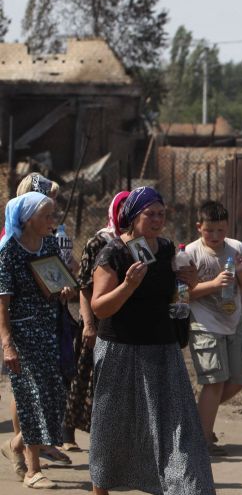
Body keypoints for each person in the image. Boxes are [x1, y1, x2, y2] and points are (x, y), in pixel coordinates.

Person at [88, 186, 213, 495]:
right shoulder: (113, 253)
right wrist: (128, 285)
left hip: (162, 350)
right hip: (120, 352)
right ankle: (101, 488)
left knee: (178, 430)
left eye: (161, 214)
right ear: (133, 216)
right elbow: (100, 306)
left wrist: (188, 282)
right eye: (150, 214)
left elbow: (178, 297)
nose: (157, 220)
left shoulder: (169, 250)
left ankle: (187, 487)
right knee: (112, 431)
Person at [0, 192, 74, 488]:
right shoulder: (9, 252)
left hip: (51, 329)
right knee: (33, 397)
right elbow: (2, 303)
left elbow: (60, 280)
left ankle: (16, 445)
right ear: (28, 219)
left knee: (55, 396)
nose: (52, 221)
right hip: (23, 334)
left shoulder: (50, 243)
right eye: (47, 215)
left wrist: (65, 290)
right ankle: (33, 471)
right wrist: (7, 344)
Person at [186, 200, 242, 456]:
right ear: (199, 227)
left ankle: (195, 422)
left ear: (227, 227)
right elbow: (183, 295)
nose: (216, 236)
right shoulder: (190, 253)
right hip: (204, 323)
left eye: (220, 230)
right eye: (209, 231)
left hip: (233, 320)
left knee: (239, 377)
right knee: (214, 381)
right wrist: (215, 284)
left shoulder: (236, 247)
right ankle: (203, 439)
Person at [64, 191, 130, 451]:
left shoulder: (134, 243)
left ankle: (109, 443)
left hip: (122, 324)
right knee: (82, 380)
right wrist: (88, 324)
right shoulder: (98, 242)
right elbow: (84, 286)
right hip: (95, 321)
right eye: (122, 210)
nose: (126, 216)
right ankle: (67, 434)